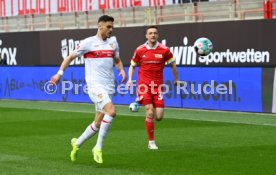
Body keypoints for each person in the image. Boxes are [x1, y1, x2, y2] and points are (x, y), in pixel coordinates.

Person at [50, 15, 126, 163]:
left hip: (109, 85)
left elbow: (117, 59)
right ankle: (98, 147)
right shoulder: (88, 43)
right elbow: (69, 57)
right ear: (100, 26)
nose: (111, 29)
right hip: (94, 85)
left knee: (98, 122)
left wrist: (121, 70)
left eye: (112, 27)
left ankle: (76, 143)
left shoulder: (113, 42)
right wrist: (59, 74)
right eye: (108, 27)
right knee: (111, 111)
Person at [127, 26, 179, 150]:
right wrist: (130, 79)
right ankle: (151, 142)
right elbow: (132, 66)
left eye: (155, 33)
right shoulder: (140, 50)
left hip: (158, 87)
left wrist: (176, 79)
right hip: (143, 86)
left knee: (159, 117)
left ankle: (139, 103)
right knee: (149, 112)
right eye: (150, 33)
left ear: (158, 35)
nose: (153, 35)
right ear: (146, 36)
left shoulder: (165, 50)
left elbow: (173, 65)